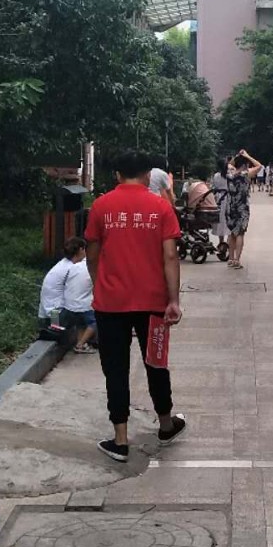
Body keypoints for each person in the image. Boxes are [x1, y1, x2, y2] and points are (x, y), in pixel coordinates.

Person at [85, 149, 186, 462]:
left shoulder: (101, 206)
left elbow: (92, 254)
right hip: (153, 301)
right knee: (156, 362)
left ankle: (120, 439)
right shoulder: (161, 207)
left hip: (110, 302)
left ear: (117, 174)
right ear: (148, 175)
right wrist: (173, 299)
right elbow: (171, 256)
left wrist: (99, 284)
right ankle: (166, 425)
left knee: (115, 368)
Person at [38, 237, 95, 347]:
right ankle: (83, 343)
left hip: (47, 313)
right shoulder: (73, 268)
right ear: (81, 249)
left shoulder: (63, 265)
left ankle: (82, 341)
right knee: (86, 312)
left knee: (80, 308)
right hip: (55, 316)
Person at [225, 149, 262, 267]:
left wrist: (237, 156)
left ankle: (230, 258)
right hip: (242, 207)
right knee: (240, 233)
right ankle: (237, 260)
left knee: (232, 233)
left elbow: (229, 164)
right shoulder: (246, 174)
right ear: (245, 165)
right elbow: (259, 166)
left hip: (230, 206)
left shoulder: (229, 173)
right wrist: (247, 155)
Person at [212, 159, 229, 242]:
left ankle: (221, 241)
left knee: (220, 219)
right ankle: (229, 241)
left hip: (219, 198)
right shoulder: (228, 175)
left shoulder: (216, 176)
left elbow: (214, 187)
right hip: (228, 197)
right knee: (228, 219)